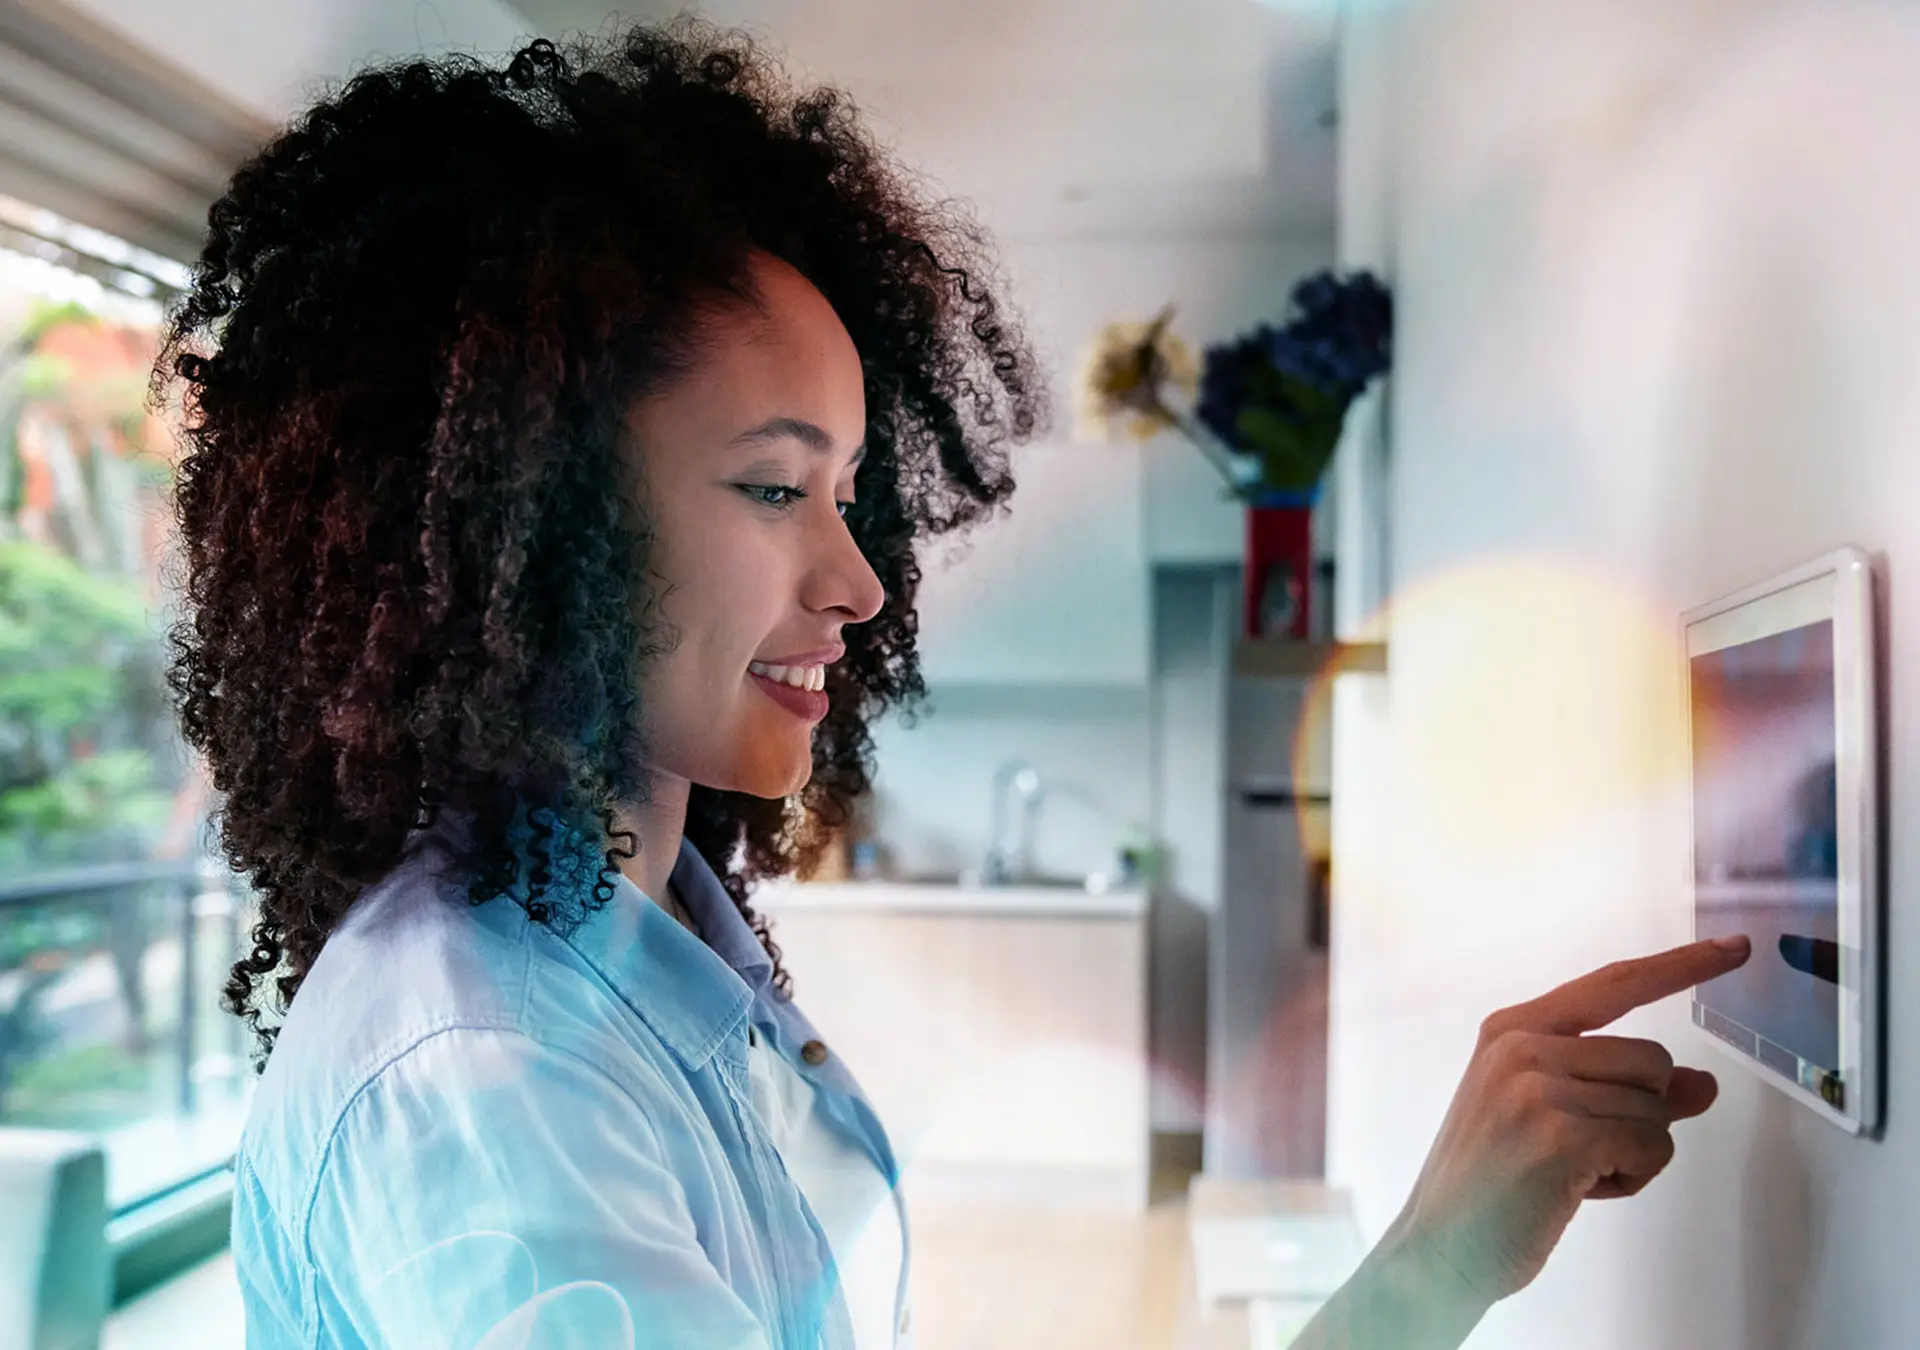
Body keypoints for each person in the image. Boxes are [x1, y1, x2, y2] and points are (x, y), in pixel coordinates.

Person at [157, 22, 1752, 1350]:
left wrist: (1427, 1264)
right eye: (777, 490)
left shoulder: (624, 951)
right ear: (523, 516)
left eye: (850, 496)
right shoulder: (490, 1088)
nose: (855, 584)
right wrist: (1418, 1282)